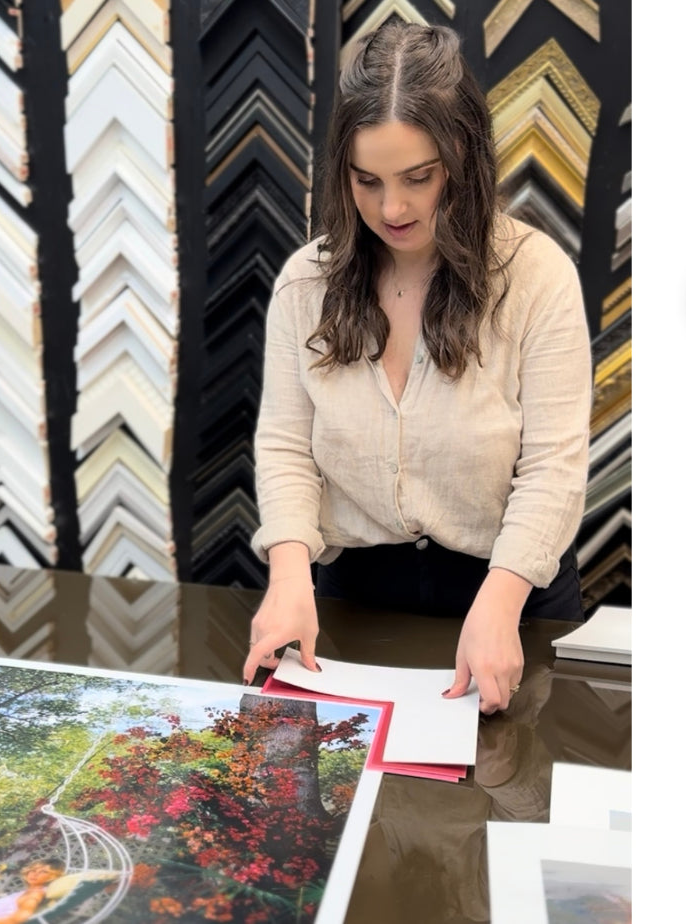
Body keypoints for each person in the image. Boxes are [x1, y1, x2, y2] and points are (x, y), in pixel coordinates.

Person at [241, 22, 591, 715]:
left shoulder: (536, 276)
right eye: (366, 181)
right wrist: (288, 576)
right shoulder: (304, 283)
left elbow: (554, 464)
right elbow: (286, 444)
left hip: (510, 593)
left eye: (418, 178)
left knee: (499, 798)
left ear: (463, 157)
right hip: (353, 599)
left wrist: (500, 601)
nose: (392, 208)